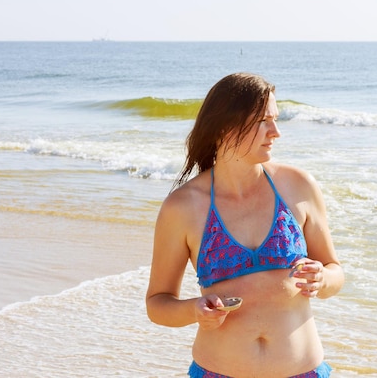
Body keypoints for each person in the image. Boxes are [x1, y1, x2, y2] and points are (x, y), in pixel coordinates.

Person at [145, 72, 344, 377]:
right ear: (225, 125)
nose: (275, 132)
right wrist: (194, 309)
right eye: (263, 121)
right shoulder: (183, 207)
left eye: (275, 119)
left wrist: (323, 279)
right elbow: (158, 304)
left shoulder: (298, 186)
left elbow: (334, 270)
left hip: (304, 371)